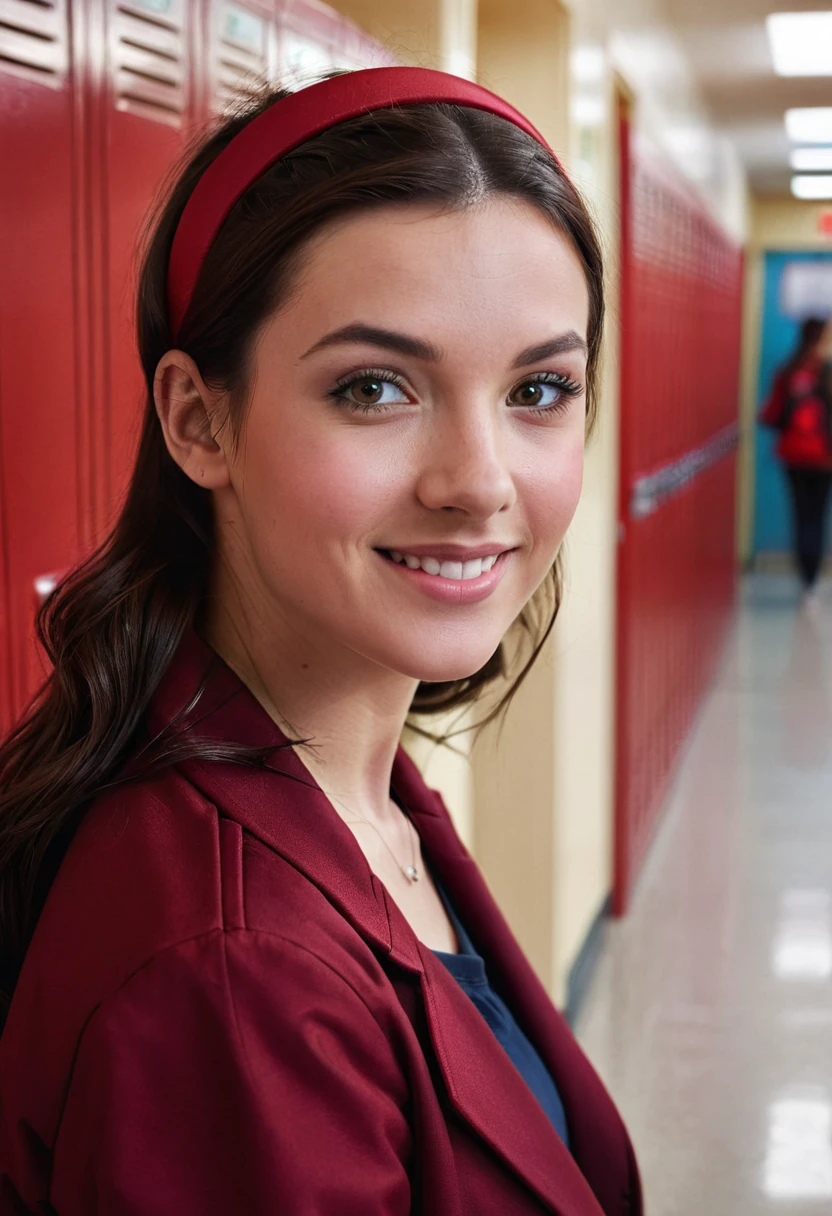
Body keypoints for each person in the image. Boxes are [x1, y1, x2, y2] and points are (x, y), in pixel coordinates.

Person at [0, 68, 641, 1214]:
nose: (479, 482)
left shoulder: (355, 794)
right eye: (376, 387)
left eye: (539, 387)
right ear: (200, 420)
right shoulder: (232, 977)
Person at [761, 315, 832, 597]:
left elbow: (771, 415)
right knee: (817, 515)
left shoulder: (788, 371)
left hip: (793, 455)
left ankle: (806, 580)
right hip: (824, 458)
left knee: (801, 515)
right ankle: (812, 580)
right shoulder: (826, 373)